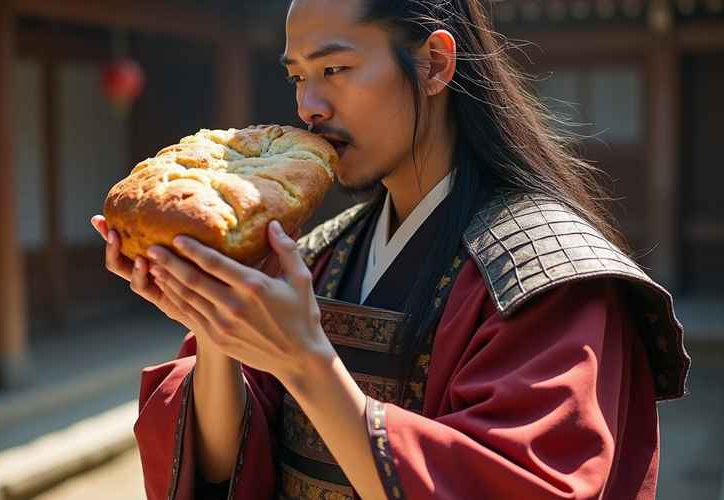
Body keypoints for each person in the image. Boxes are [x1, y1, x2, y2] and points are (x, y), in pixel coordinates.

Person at [91, 1, 690, 498]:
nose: (309, 106)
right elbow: (221, 471)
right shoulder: (321, 253)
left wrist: (307, 365)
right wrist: (215, 323)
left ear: (434, 64)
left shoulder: (549, 276)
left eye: (337, 69)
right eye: (299, 75)